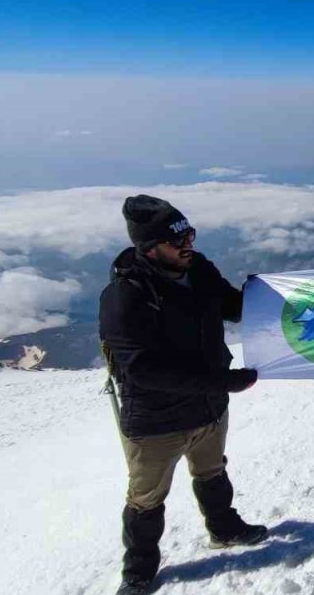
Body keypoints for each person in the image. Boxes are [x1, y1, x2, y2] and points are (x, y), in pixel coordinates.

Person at [99, 195, 266, 595]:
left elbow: (233, 307)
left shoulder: (199, 269)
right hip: (155, 419)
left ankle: (224, 529)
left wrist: (263, 295)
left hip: (208, 406)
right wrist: (221, 383)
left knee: (212, 471)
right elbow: (140, 370)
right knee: (146, 498)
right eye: (178, 241)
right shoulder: (125, 296)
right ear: (149, 248)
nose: (188, 245)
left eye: (189, 234)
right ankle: (138, 571)